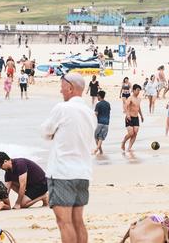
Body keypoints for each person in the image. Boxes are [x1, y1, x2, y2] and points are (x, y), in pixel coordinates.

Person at [40, 72, 96, 243]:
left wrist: (55, 133)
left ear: (70, 88)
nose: (60, 91)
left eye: (62, 87)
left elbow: (45, 132)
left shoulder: (62, 108)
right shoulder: (89, 112)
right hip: (83, 173)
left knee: (64, 222)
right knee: (78, 221)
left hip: (62, 172)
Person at [122, 84, 144, 151]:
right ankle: (123, 142)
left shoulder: (139, 99)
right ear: (134, 90)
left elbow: (138, 107)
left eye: (139, 90)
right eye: (137, 90)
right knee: (131, 133)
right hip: (129, 118)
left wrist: (141, 116)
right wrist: (127, 114)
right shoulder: (130, 98)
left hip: (136, 118)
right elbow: (125, 106)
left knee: (135, 133)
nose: (138, 92)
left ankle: (129, 148)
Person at [93, 90, 111, 155]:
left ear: (99, 96)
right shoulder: (108, 104)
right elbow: (108, 112)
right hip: (107, 123)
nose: (97, 97)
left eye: (97, 96)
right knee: (101, 137)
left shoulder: (98, 104)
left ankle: (97, 149)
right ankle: (100, 151)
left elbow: (96, 113)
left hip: (100, 122)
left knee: (95, 136)